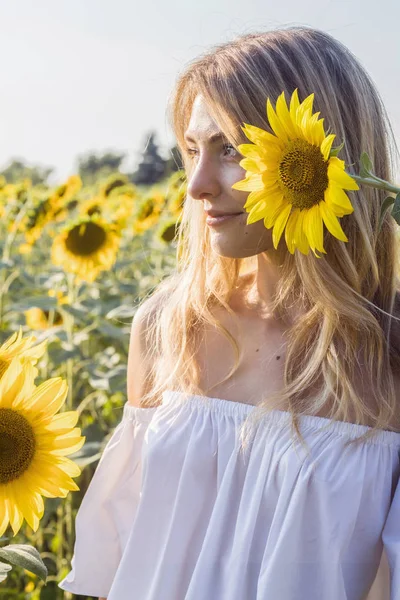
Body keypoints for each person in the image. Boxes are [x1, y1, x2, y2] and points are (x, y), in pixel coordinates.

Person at [59, 25, 400, 599]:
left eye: (231, 151)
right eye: (192, 150)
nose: (196, 186)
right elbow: (125, 561)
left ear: (320, 158)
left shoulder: (387, 352)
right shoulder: (168, 328)